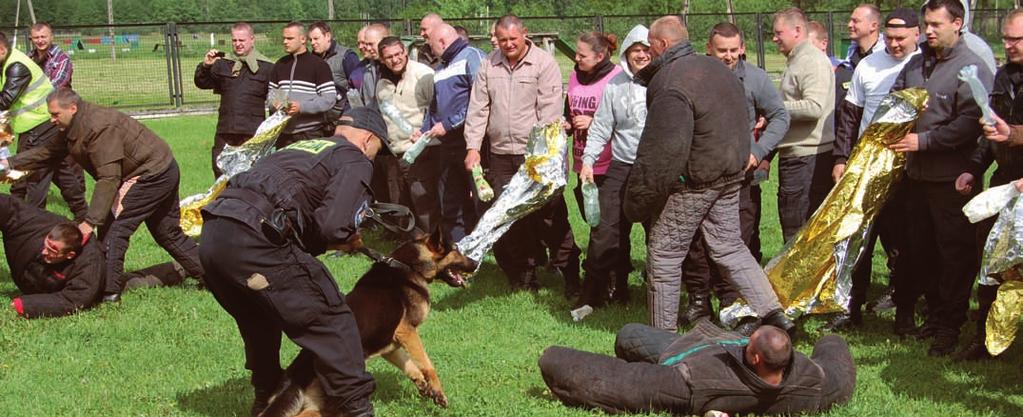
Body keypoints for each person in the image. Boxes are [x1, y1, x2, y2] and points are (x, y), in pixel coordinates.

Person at [198, 108, 384, 417]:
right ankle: (356, 410)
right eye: (379, 150)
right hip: (254, 237)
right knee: (332, 319)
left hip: (215, 235)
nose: (375, 159)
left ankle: (266, 401)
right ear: (367, 139)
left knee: (259, 318)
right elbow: (332, 225)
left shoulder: (304, 147)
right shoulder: (354, 157)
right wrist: (344, 238)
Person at [625, 16, 794, 333]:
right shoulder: (717, 69)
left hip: (696, 181)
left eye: (651, 47)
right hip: (731, 175)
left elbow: (663, 149)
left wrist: (638, 201)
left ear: (661, 45)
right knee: (729, 246)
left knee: (664, 253)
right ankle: (774, 314)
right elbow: (743, 119)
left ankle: (662, 336)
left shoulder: (670, 83)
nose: (648, 53)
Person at [4, 88, 205, 303]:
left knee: (114, 230)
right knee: (167, 232)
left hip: (150, 174)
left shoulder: (98, 128)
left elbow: (109, 178)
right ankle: (211, 275)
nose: (52, 120)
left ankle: (108, 293)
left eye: (55, 114)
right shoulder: (73, 124)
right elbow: (48, 152)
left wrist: (90, 222)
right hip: (162, 167)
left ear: (72, 108)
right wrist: (8, 163)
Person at [889, 0, 993, 357]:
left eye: (936, 24)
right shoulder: (917, 64)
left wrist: (926, 140)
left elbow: (970, 122)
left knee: (954, 255)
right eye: (926, 24)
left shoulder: (972, 67)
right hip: (915, 178)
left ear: (957, 23)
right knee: (922, 251)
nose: (929, 31)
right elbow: (898, 99)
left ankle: (951, 324)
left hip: (952, 180)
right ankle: (934, 315)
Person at [680, 22, 791, 326]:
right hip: (699, 175)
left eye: (734, 50)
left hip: (740, 178)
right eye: (722, 51)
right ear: (708, 49)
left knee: (737, 239)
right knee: (696, 241)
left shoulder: (755, 78)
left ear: (742, 48)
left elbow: (781, 116)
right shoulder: (694, 76)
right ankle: (699, 300)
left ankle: (733, 301)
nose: (729, 56)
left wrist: (759, 151)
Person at [464, 15, 581, 293]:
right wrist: (472, 148)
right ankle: (526, 276)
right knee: (511, 219)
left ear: (524, 35)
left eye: (513, 39)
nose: (507, 45)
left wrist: (543, 159)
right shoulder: (488, 65)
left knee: (550, 217)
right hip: (501, 154)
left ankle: (571, 274)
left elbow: (550, 114)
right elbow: (478, 109)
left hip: (537, 156)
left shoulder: (544, 63)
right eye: (502, 40)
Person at [538, 321, 856, 415]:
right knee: (628, 339)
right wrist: (830, 339)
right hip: (704, 348)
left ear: (757, 358)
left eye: (750, 344)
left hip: (686, 361)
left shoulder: (700, 385)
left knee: (627, 336)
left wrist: (550, 357)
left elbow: (622, 382)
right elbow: (839, 362)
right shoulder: (813, 382)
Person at [828, 8, 920, 331]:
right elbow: (850, 118)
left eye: (901, 39)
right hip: (867, 167)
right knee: (858, 241)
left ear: (916, 35)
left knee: (903, 243)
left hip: (907, 171)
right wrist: (841, 159)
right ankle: (851, 311)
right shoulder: (868, 65)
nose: (894, 45)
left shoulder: (922, 65)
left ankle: (904, 314)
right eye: (890, 39)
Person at [952, 7, 1023, 361]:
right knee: (991, 262)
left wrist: (1013, 135)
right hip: (1003, 186)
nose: (1008, 44)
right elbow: (992, 128)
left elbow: (1009, 132)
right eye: (1006, 37)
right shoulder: (1003, 77)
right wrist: (973, 167)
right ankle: (983, 336)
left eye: (1016, 39)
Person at [576, 25, 650, 308]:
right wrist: (589, 161)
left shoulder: (664, 82)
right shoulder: (615, 86)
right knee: (605, 231)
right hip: (621, 166)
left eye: (646, 50)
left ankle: (660, 296)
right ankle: (594, 294)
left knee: (659, 233)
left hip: (654, 169)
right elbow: (602, 126)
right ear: (626, 54)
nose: (641, 56)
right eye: (635, 51)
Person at [0, 31, 88, 222]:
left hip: (39, 126)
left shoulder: (16, 66)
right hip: (41, 124)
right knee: (61, 171)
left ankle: (31, 223)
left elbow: (5, 99)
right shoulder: (8, 62)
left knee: (34, 175)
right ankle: (84, 215)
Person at [415, 24, 487, 242]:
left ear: (443, 42)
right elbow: (434, 107)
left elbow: (481, 101)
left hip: (472, 143)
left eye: (431, 46)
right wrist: (424, 130)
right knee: (451, 200)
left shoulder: (472, 57)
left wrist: (449, 124)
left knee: (481, 198)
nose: (430, 51)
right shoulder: (440, 69)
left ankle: (490, 247)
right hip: (448, 147)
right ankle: (458, 250)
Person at [568, 31, 624, 302]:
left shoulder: (616, 79)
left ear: (600, 56)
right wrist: (568, 123)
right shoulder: (574, 76)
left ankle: (609, 283)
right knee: (593, 224)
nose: (576, 59)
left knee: (606, 229)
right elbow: (569, 109)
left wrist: (593, 122)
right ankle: (605, 279)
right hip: (583, 165)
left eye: (582, 55)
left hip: (609, 165)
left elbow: (625, 121)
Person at [773, 8, 837, 243]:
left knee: (798, 231)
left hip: (807, 159)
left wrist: (774, 107)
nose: (774, 38)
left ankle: (799, 280)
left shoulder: (811, 60)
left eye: (779, 32)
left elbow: (814, 107)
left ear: (797, 30)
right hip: (798, 156)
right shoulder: (798, 59)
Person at [375, 36, 440, 234]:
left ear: (405, 52)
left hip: (422, 150)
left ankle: (435, 246)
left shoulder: (424, 74)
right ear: (381, 59)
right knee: (401, 205)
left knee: (423, 203)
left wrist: (425, 132)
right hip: (395, 152)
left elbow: (437, 108)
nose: (395, 60)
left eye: (398, 54)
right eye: (389, 57)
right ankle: (412, 247)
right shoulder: (381, 84)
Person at [2, 193, 103, 318]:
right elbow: (6, 205)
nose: (44, 252)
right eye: (46, 245)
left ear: (70, 255)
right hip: (25, 275)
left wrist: (27, 305)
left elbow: (76, 299)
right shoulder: (39, 224)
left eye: (52, 250)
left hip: (51, 289)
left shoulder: (89, 262)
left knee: (114, 284)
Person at [194, 22, 274, 178]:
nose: (238, 44)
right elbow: (202, 83)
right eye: (234, 40)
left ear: (252, 39)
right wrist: (205, 66)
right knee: (220, 172)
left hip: (252, 132)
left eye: (241, 40)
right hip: (225, 130)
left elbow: (275, 102)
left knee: (251, 175)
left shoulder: (267, 68)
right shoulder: (223, 64)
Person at [268, 21, 336, 149]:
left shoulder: (319, 65)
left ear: (303, 39)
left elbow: (329, 99)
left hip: (311, 134)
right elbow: (272, 95)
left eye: (290, 38)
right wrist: (276, 103)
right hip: (284, 135)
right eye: (284, 38)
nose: (285, 42)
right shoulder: (280, 65)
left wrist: (302, 107)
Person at [835, 5, 885, 132]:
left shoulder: (885, 62)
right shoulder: (848, 63)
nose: (849, 24)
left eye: (855, 21)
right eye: (850, 20)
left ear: (873, 26)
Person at [309, 21, 361, 122]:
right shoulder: (311, 60)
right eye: (310, 40)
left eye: (316, 38)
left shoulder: (347, 57)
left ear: (328, 36)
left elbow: (358, 90)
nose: (312, 43)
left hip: (342, 118)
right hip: (318, 120)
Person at [355, 23, 390, 111]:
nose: (368, 48)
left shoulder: (396, 68)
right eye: (367, 44)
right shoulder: (367, 71)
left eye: (371, 44)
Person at [28, 23, 72, 89]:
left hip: (57, 98)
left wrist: (32, 91)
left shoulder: (62, 58)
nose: (40, 41)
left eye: (43, 37)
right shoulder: (28, 58)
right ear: (31, 39)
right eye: (36, 37)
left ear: (51, 37)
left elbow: (58, 83)